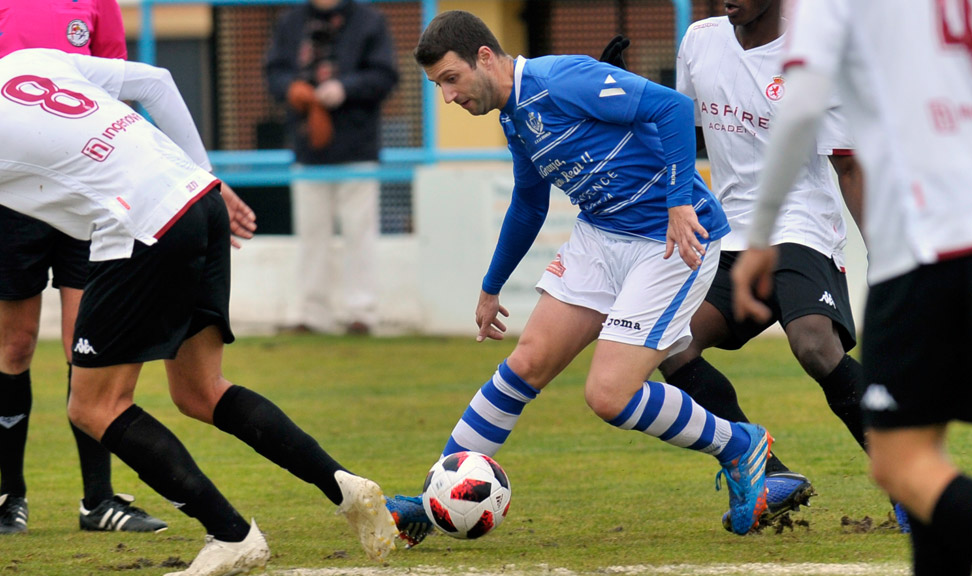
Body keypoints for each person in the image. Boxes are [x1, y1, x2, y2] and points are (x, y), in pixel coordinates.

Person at [0, 48, 398, 575]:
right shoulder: (28, 60)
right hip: (196, 194)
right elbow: (157, 81)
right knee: (199, 391)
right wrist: (206, 175)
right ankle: (343, 486)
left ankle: (230, 534)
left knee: (94, 406)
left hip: (140, 224)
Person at [388, 9, 774, 547]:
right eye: (438, 86)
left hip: (670, 241)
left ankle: (740, 445)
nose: (448, 96)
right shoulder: (514, 117)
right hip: (600, 237)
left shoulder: (560, 79)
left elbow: (672, 107)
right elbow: (529, 203)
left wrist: (679, 201)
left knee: (609, 395)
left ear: (485, 57)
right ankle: (434, 499)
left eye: (450, 79)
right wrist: (491, 286)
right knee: (525, 364)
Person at [731, 0, 972, 572]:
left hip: (925, 240)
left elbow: (802, 104)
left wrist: (761, 232)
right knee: (924, 456)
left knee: (897, 464)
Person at [645, 0, 876, 531]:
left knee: (814, 344)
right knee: (671, 343)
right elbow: (676, 133)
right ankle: (766, 474)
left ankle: (908, 476)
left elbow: (848, 165)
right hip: (729, 234)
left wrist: (880, 254)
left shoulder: (815, 55)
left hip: (801, 226)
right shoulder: (699, 42)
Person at [0, 0, 166, 534]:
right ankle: (8, 496)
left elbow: (115, 84)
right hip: (14, 191)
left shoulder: (97, 4)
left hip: (84, 187)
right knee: (14, 345)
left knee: (86, 343)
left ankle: (98, 501)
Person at [264, 0, 399, 336]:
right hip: (307, 147)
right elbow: (274, 72)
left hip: (358, 148)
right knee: (311, 235)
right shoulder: (291, 21)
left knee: (359, 233)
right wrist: (292, 89)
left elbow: (385, 75)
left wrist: (345, 88)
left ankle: (361, 313)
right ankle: (312, 314)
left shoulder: (369, 20)